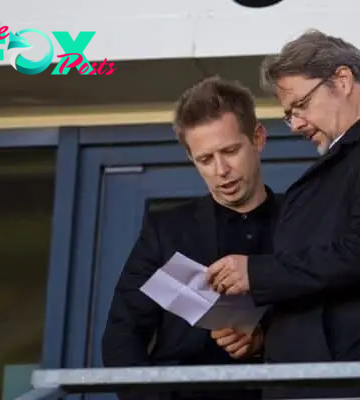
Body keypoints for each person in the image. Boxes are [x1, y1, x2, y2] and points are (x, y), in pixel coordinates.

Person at [207, 30, 360, 399]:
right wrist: (266, 335)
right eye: (289, 116)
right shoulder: (350, 159)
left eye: (300, 106)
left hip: (356, 383)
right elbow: (324, 281)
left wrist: (256, 272)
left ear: (342, 80)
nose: (297, 124)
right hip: (321, 380)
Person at [102, 76, 282, 400]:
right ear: (191, 159)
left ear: (258, 138)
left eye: (230, 151)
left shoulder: (303, 220)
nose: (221, 170)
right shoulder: (166, 230)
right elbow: (122, 333)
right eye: (205, 159)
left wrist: (263, 340)